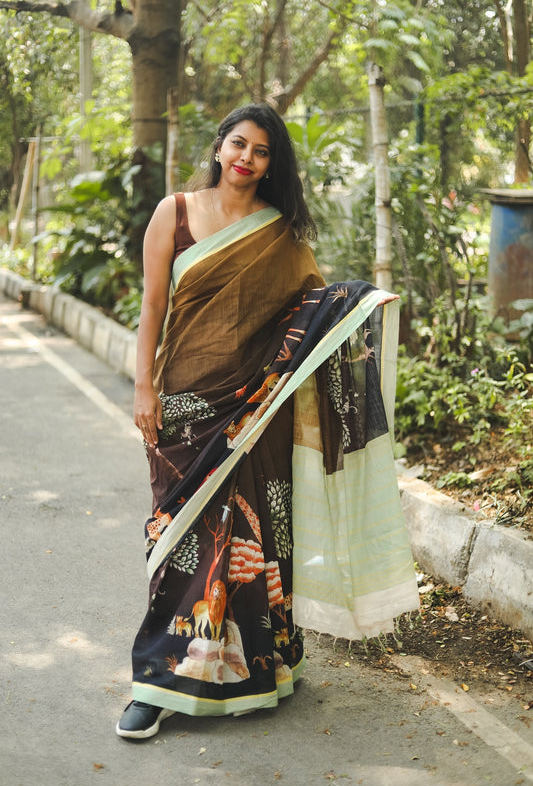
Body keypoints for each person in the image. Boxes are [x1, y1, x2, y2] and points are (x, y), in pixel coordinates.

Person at [116, 103, 419, 739]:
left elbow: (310, 316)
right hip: (186, 406)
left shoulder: (281, 233)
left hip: (259, 410)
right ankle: (158, 679)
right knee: (181, 540)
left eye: (260, 151)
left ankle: (265, 662)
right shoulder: (174, 212)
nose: (245, 158)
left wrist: (359, 306)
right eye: (238, 144)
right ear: (219, 146)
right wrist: (144, 388)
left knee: (257, 539)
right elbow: (150, 307)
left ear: (272, 164)